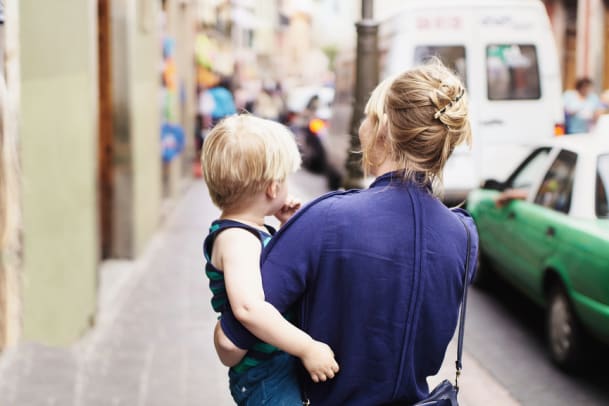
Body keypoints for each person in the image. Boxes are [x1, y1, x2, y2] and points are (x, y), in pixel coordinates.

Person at [215, 61, 479, 404]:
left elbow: (229, 343)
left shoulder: (325, 220)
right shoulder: (464, 235)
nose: (361, 127)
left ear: (382, 128)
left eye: (368, 117)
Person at [200, 114, 339, 405]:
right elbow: (249, 308)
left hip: (272, 365)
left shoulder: (249, 228)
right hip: (264, 375)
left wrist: (286, 226)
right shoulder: (237, 239)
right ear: (273, 188)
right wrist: (308, 348)